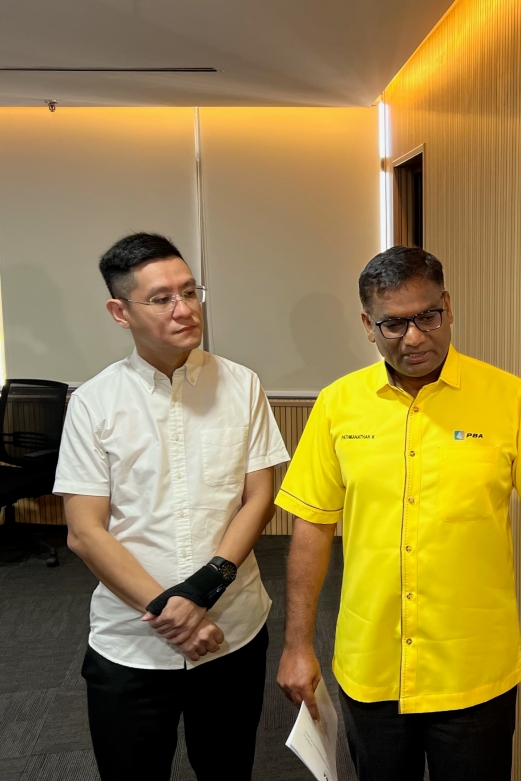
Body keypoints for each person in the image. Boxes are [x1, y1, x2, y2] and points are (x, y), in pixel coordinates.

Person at [276, 246, 521, 781]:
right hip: (372, 665)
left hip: (474, 670)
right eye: (394, 324)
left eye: (427, 316)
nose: (415, 337)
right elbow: (312, 526)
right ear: (367, 325)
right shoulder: (337, 405)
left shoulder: (509, 398)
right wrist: (296, 647)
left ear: (447, 307)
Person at [54, 233, 289, 781]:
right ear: (120, 311)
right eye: (161, 298)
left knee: (228, 769)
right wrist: (173, 614)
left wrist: (203, 590)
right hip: (131, 641)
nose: (184, 309)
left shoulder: (242, 383)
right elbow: (85, 533)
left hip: (231, 628)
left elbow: (259, 497)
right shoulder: (93, 403)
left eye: (190, 291)